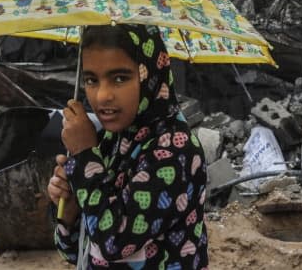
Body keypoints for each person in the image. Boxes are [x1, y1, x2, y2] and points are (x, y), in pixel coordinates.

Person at [47, 24, 209, 269]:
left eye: (120, 78)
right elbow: (78, 251)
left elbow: (114, 242)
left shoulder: (176, 151)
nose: (102, 96)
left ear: (150, 74)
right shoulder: (112, 142)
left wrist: (83, 157)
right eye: (91, 79)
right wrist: (69, 212)